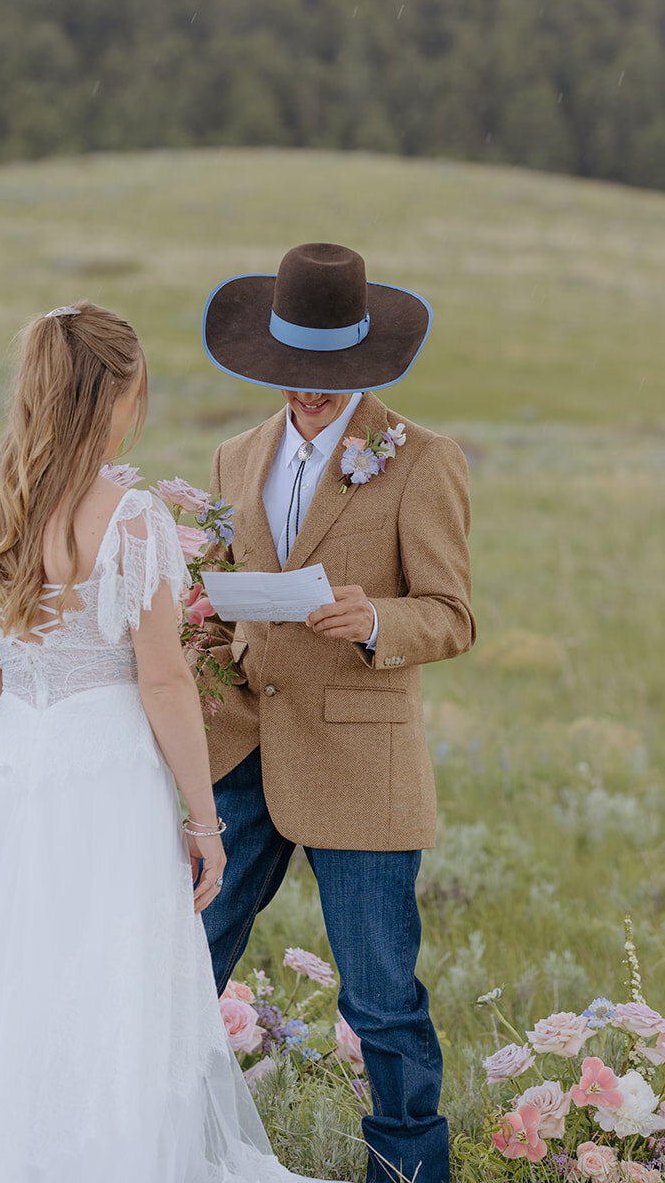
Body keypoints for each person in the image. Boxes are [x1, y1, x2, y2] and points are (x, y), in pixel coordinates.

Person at [0, 301, 332, 1183]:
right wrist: (204, 821)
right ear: (113, 394)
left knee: (11, 956)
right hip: (108, 767)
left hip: (19, 764)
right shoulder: (132, 520)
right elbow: (160, 680)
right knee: (110, 965)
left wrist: (43, 677)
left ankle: (5, 1146)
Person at [197, 243, 476, 1183]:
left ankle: (408, 1171)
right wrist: (206, 613)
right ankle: (164, 1144)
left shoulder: (423, 459)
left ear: (363, 366)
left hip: (362, 765)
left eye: (328, 377)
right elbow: (218, 598)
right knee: (181, 962)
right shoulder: (235, 456)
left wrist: (374, 620)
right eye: (290, 374)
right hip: (239, 750)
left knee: (382, 999)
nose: (307, 393)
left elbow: (451, 614)